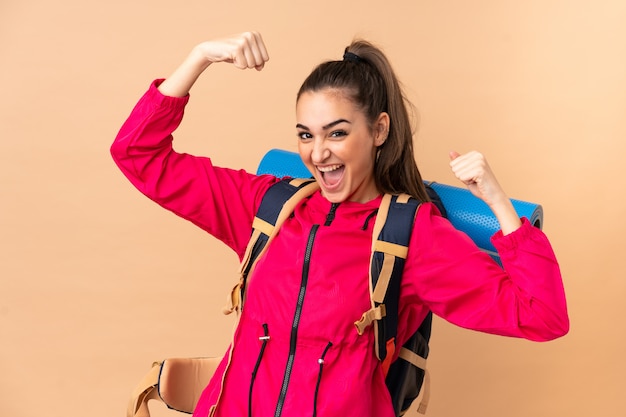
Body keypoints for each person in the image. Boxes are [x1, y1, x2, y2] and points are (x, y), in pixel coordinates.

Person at [111, 31, 569, 417]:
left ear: (380, 130)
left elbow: (541, 315)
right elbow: (137, 154)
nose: (318, 152)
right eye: (306, 134)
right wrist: (201, 57)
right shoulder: (267, 206)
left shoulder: (412, 235)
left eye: (337, 132)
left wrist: (497, 202)